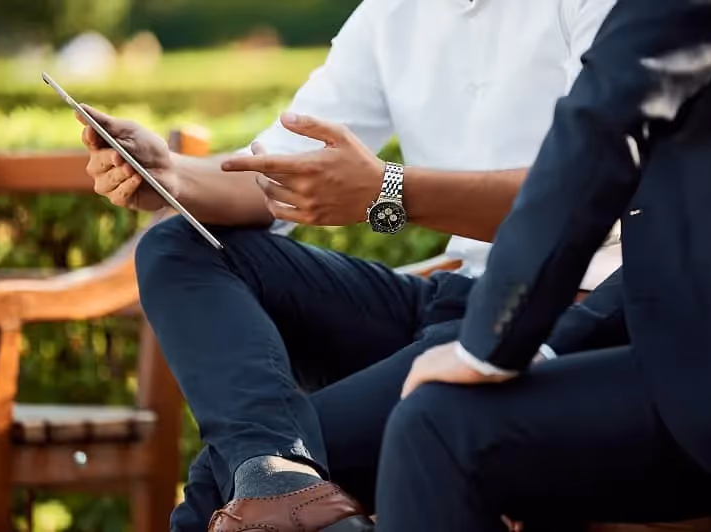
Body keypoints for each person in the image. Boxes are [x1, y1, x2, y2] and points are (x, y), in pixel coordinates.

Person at [79, 0, 619, 529]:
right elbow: (275, 173)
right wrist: (170, 175)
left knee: (219, 488)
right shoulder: (391, 13)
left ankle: (275, 476)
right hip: (451, 296)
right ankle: (278, 473)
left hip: (562, 310)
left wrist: (389, 191)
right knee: (179, 246)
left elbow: (586, 195)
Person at [372, 0, 711, 531]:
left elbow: (603, 122)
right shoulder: (389, 17)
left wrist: (488, 344)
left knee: (437, 428)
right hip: (638, 332)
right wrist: (544, 343)